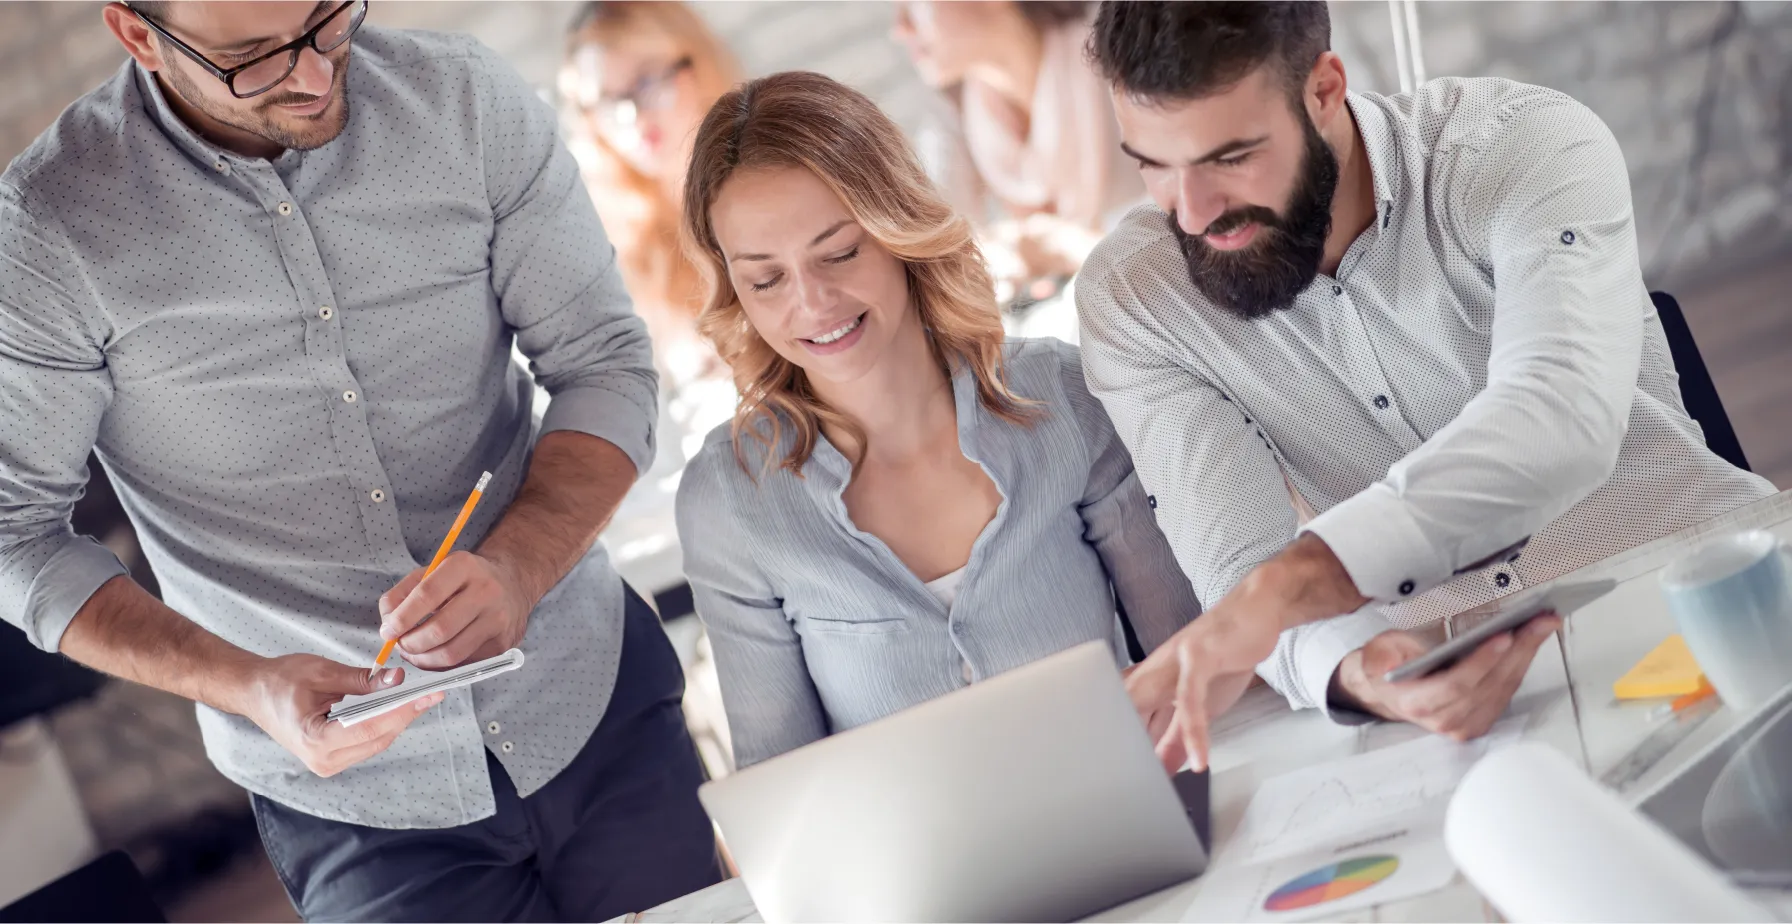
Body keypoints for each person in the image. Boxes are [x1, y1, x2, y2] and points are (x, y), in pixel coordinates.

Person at [0, 3, 723, 920]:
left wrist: (520, 565)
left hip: (594, 699)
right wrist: (246, 685)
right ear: (139, 35)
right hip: (355, 806)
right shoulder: (49, 227)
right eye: (251, 59)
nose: (312, 74)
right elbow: (14, 536)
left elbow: (603, 364)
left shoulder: (465, 100)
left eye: (325, 19)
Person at [1073, 1, 1777, 772]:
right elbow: (1240, 574)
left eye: (1231, 157)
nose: (1191, 211)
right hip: (1467, 712)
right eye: (1152, 164)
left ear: (1324, 89)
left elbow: (1559, 416)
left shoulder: (1517, 145)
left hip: (1705, 605)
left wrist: (1296, 584)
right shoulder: (1136, 302)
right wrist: (1356, 672)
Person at [672, 71, 1201, 769]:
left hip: (1126, 809)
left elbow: (1192, 670)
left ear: (898, 229)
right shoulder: (730, 501)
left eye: (839, 252)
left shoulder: (1063, 398)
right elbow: (788, 788)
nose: (813, 303)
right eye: (765, 280)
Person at [890, 0, 1144, 307]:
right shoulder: (961, 107)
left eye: (912, 4)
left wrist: (1075, 249)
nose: (900, 28)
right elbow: (936, 248)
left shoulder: (1126, 39)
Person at [561, 0, 739, 396]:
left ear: (697, 63)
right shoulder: (618, 255)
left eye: (647, 82)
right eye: (608, 102)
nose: (633, 118)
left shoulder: (779, 181)